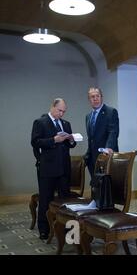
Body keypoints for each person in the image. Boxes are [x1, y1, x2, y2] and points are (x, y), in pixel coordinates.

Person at [31, 98, 76, 240]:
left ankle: (69, 233)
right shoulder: (40, 122)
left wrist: (72, 140)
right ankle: (44, 230)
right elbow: (35, 142)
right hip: (48, 168)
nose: (61, 114)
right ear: (52, 107)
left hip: (64, 168)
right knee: (46, 200)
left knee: (65, 201)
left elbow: (70, 145)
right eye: (59, 110)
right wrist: (53, 140)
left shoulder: (66, 124)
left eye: (63, 111)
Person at [84, 87, 119, 184]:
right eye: (92, 97)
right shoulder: (88, 116)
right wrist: (87, 155)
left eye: (97, 96)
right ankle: (96, 199)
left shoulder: (110, 112)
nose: (95, 99)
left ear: (101, 97)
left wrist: (108, 148)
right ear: (89, 99)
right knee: (96, 184)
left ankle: (105, 200)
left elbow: (113, 132)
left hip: (106, 155)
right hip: (92, 157)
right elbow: (91, 138)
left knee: (106, 185)